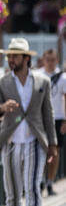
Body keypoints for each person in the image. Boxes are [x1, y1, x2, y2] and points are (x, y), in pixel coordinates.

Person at [0, 38, 57, 206]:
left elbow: (48, 113)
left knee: (32, 187)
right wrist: (2, 108)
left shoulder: (41, 82)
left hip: (34, 141)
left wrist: (52, 143)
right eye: (9, 55)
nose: (11, 59)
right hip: (10, 142)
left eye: (15, 56)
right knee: (13, 192)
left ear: (26, 58)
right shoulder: (1, 82)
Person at [38, 49, 66, 196]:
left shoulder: (62, 77)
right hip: (41, 119)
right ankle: (41, 179)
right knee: (41, 151)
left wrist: (65, 120)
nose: (50, 62)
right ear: (43, 60)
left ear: (56, 60)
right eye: (47, 59)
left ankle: (50, 181)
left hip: (58, 117)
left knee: (55, 152)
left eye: (52, 59)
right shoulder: (38, 75)